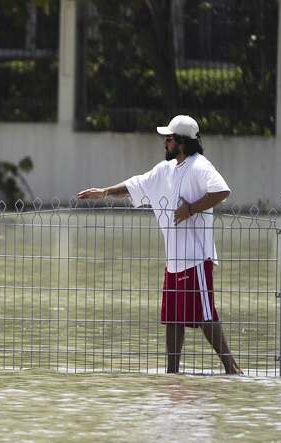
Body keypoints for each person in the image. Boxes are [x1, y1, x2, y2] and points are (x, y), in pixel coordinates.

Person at [77, 115, 242, 375]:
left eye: (169, 138)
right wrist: (106, 191)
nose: (165, 142)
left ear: (182, 142)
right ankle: (172, 373)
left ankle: (232, 369)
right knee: (173, 318)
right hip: (174, 261)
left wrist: (190, 209)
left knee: (205, 315)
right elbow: (136, 185)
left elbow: (222, 191)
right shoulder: (165, 170)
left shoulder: (200, 166)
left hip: (196, 258)